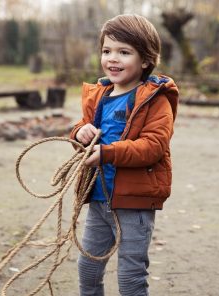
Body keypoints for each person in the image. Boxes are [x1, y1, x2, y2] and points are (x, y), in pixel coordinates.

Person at [70, 14, 179, 296]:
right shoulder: (100, 95)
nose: (112, 59)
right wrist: (79, 133)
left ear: (145, 60)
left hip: (134, 203)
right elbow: (85, 127)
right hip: (99, 198)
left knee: (131, 275)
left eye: (124, 52)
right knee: (88, 267)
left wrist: (107, 153)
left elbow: (153, 147)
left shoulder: (156, 99)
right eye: (107, 51)